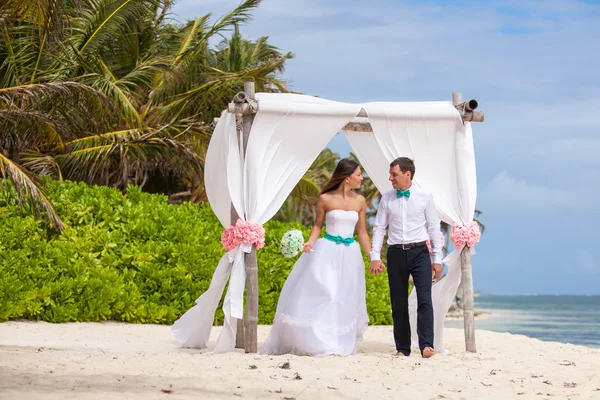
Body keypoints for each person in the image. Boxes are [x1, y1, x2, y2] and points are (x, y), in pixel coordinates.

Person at [260, 158, 371, 356]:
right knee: (327, 292)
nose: (361, 178)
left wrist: (373, 256)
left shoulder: (360, 201)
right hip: (327, 250)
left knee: (344, 297)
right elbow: (318, 225)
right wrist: (310, 242)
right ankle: (321, 341)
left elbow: (362, 232)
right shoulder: (325, 199)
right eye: (358, 174)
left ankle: (337, 340)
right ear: (347, 178)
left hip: (350, 253)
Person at [369, 157, 442, 358]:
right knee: (398, 302)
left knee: (425, 299)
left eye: (394, 174)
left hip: (420, 252)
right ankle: (402, 348)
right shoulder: (387, 198)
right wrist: (375, 256)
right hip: (395, 253)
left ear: (407, 174)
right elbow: (379, 228)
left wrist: (437, 259)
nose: (390, 178)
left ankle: (426, 345)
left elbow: (434, 227)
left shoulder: (424, 196)